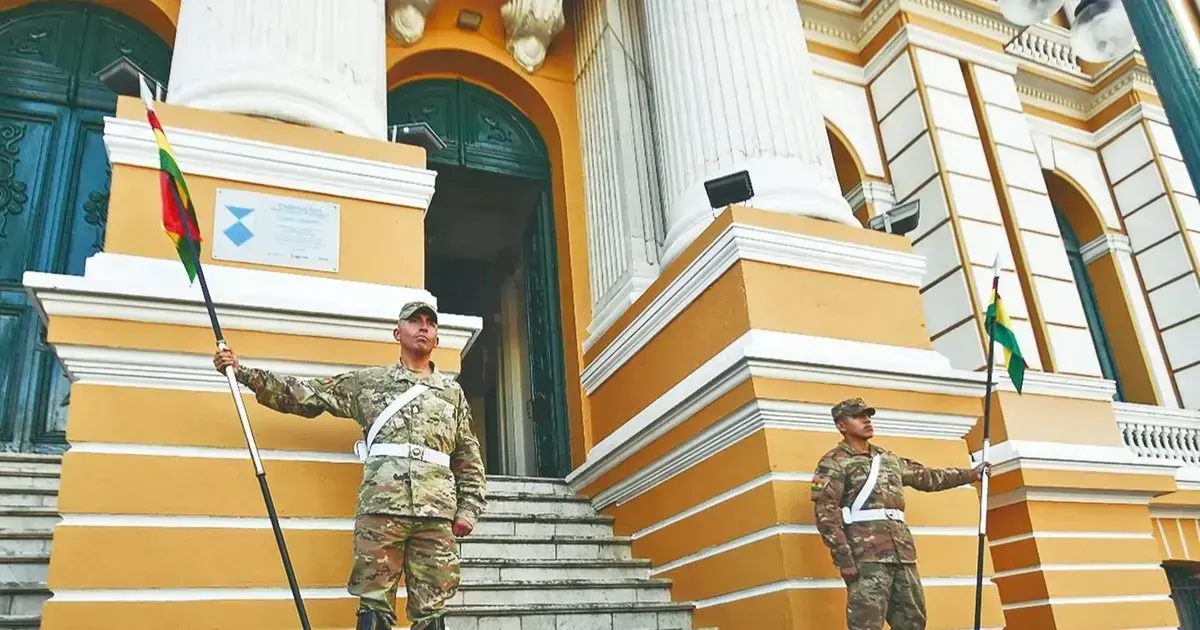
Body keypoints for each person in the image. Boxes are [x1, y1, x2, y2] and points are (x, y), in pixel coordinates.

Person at [213, 300, 486, 630]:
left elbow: (468, 455)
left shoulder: (452, 394)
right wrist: (243, 373)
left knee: (432, 609)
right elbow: (309, 394)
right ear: (398, 333)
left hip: (436, 516)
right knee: (373, 604)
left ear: (437, 339)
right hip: (381, 511)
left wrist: (469, 508)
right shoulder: (369, 383)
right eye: (415, 321)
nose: (423, 327)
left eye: (430, 322)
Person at [811, 397, 986, 630]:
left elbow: (927, 477)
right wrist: (843, 558)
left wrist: (971, 474)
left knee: (913, 622)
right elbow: (826, 513)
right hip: (867, 558)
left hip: (903, 555)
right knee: (866, 624)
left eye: (868, 415)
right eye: (858, 416)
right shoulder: (833, 463)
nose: (867, 420)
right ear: (841, 425)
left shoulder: (888, 459)